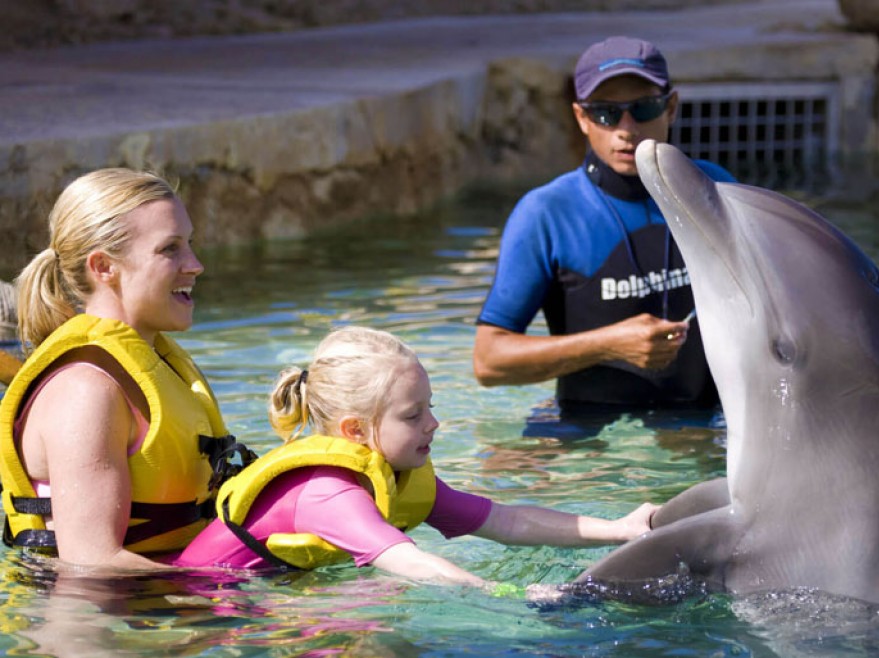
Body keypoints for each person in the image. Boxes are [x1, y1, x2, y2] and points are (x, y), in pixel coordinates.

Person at [175, 326, 657, 590]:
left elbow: (507, 522)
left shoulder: (401, 477)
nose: (434, 424)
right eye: (413, 415)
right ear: (356, 431)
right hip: (200, 606)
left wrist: (621, 528)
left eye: (432, 407)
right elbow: (413, 564)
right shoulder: (328, 494)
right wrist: (514, 596)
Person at [473, 36, 736, 430]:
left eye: (643, 108)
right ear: (581, 118)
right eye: (606, 114)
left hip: (700, 423)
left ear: (671, 107)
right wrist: (608, 344)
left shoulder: (711, 189)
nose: (626, 129)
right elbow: (489, 361)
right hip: (590, 435)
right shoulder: (548, 213)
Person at [0, 169, 247, 569]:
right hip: (101, 624)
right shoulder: (86, 391)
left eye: (190, 244)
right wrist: (240, 582)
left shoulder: (156, 365)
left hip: (165, 612)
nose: (195, 265)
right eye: (170, 249)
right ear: (103, 267)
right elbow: (92, 563)